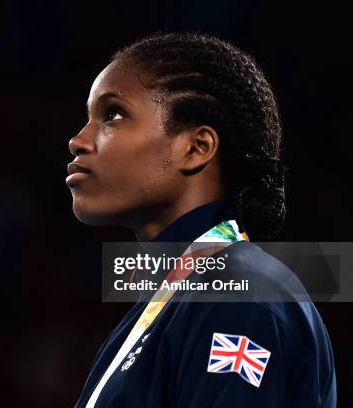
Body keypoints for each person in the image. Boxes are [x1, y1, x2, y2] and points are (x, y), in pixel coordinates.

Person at [66, 32, 336, 407]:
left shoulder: (237, 295)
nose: (79, 140)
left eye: (112, 114)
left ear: (196, 148)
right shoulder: (177, 297)